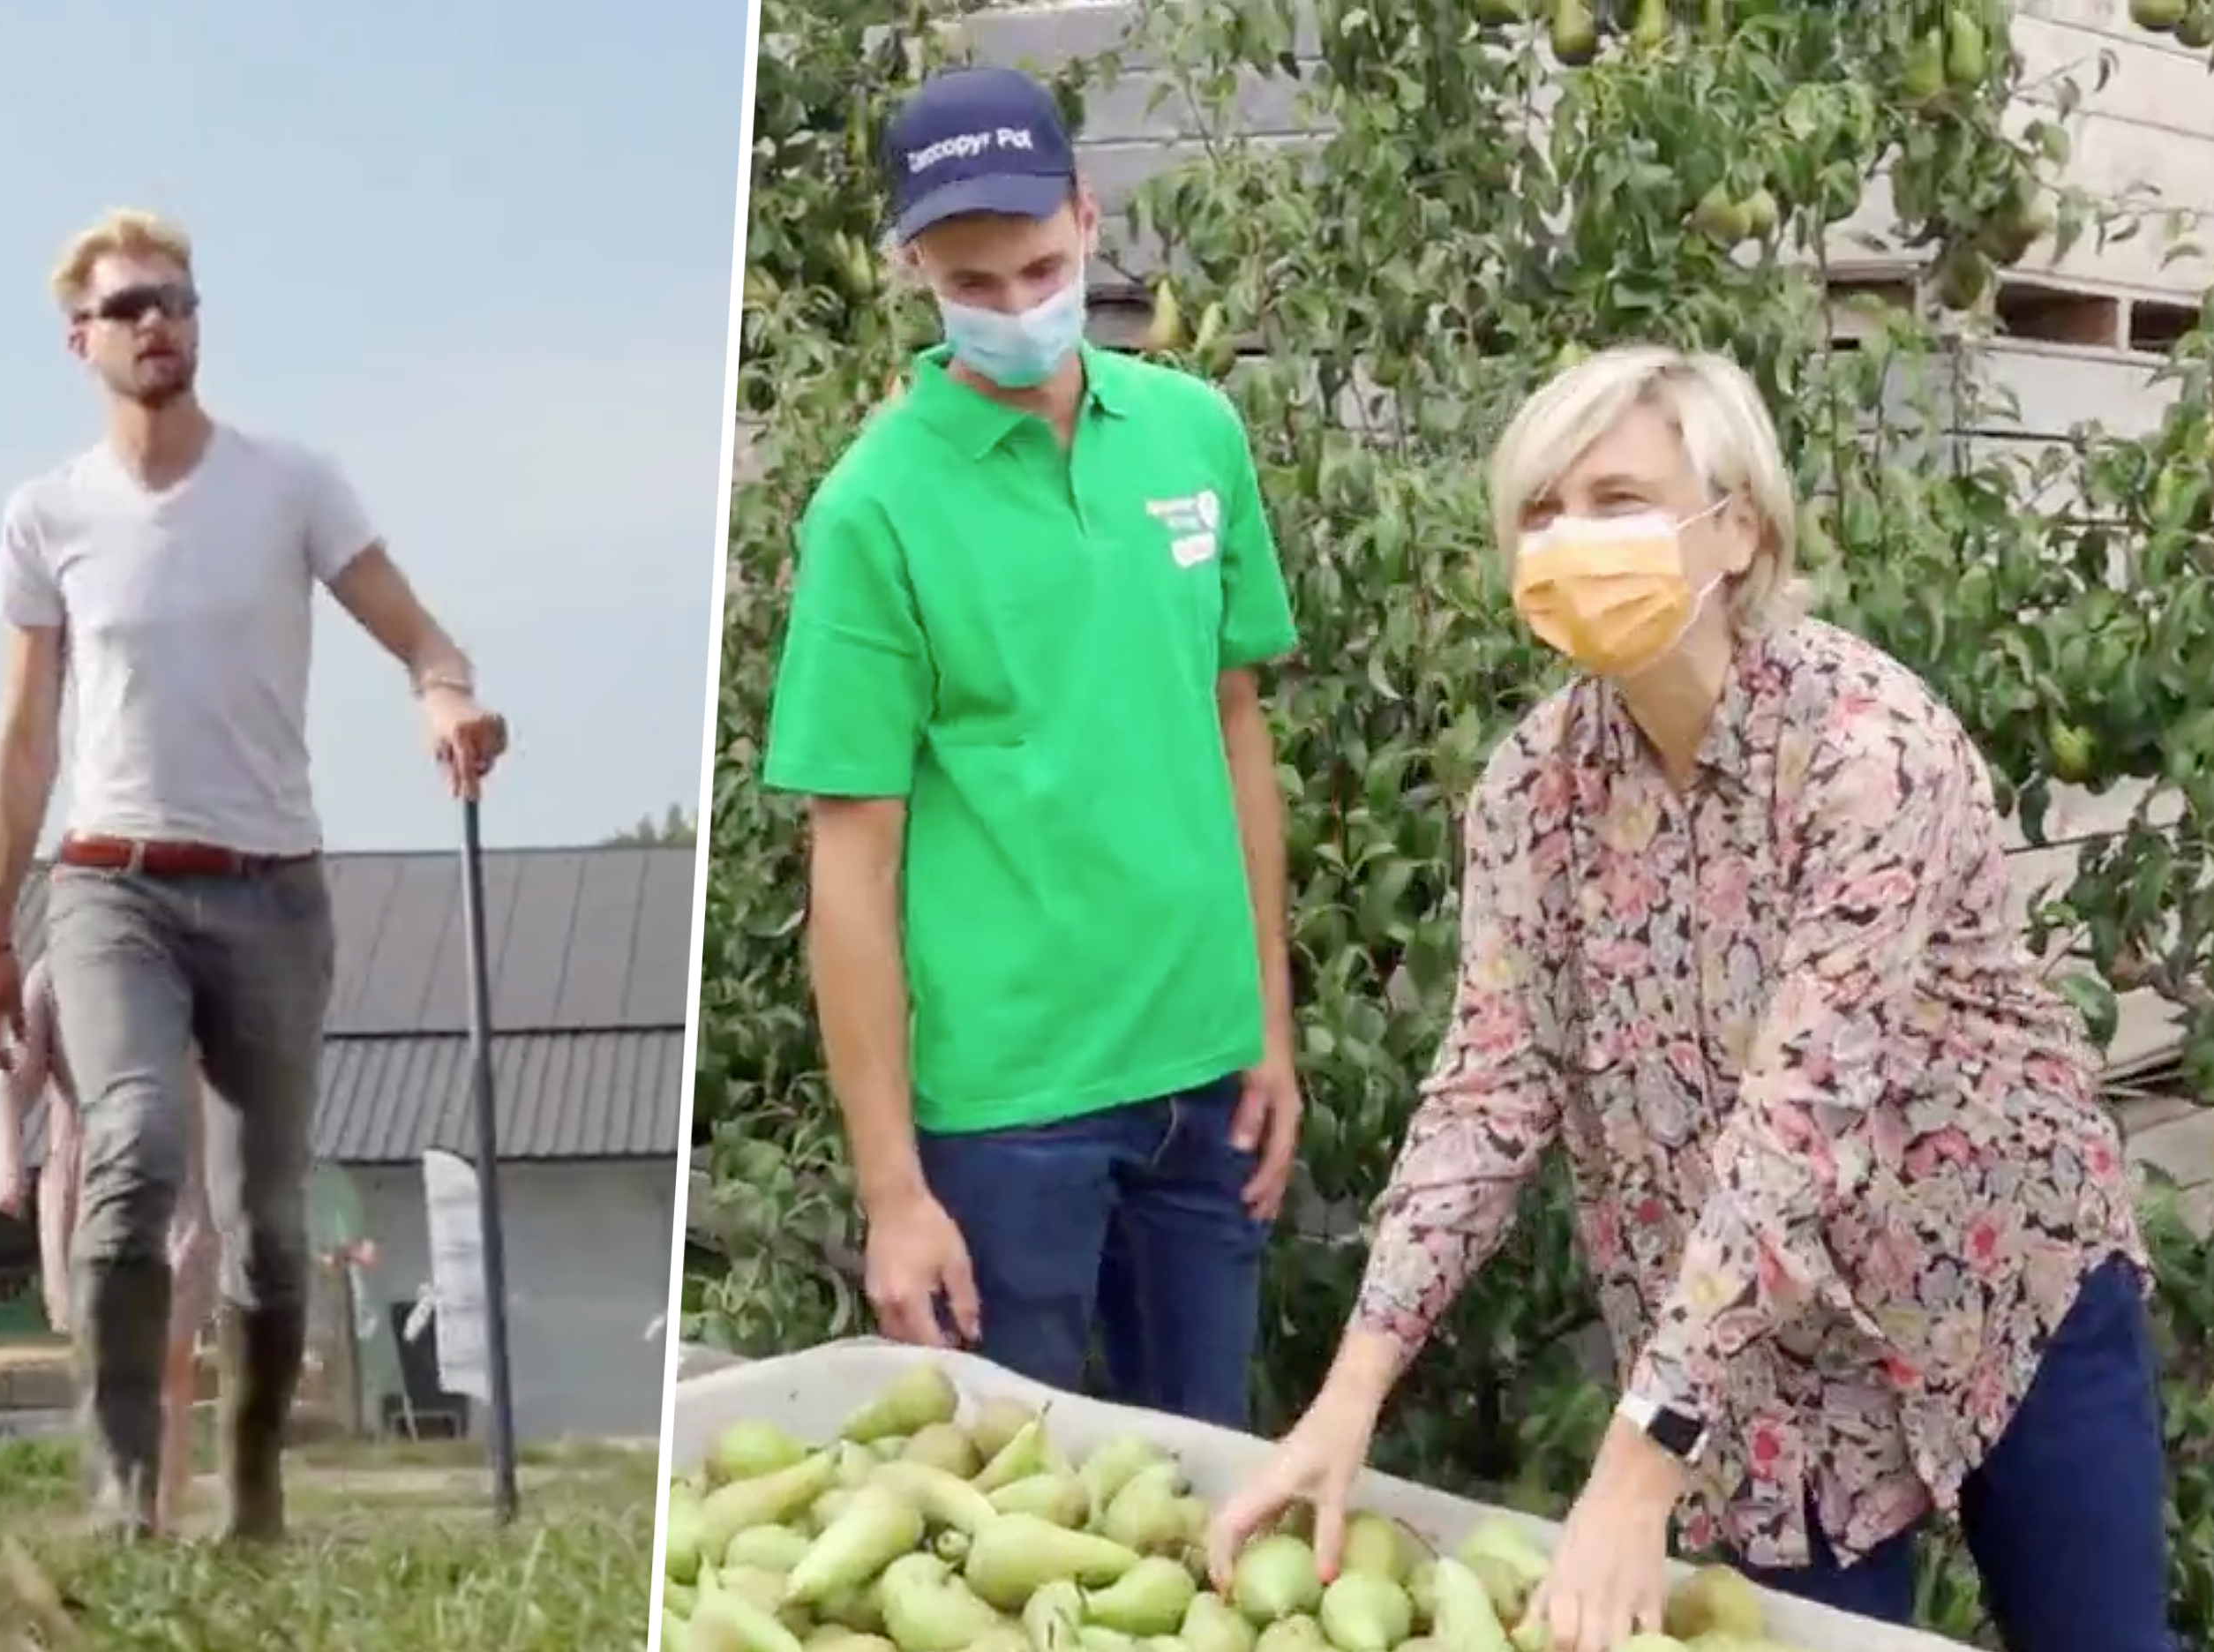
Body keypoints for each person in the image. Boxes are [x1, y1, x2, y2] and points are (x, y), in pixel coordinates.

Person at [1205, 346, 2172, 1652]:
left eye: (1616, 499)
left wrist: (1635, 1460)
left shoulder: (1862, 752)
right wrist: (1349, 1393)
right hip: (1755, 1373)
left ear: (1735, 531)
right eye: (1539, 513)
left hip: (1993, 1286)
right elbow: (1488, 1095)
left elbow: (1797, 1129)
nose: (1568, 539)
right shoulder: (1533, 792)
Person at [756, 64, 1304, 1431]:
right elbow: (851, 867)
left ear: (1089, 214)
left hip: (1203, 1072)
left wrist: (1268, 1027)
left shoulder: (1195, 437)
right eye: (974, 284)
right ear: (912, 270)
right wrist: (892, 1191)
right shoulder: (870, 514)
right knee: (1012, 1509)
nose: (1014, 307)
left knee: (1211, 1484)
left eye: (1039, 268)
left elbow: (1236, 732)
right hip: (1008, 1120)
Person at [0, 207, 509, 1542]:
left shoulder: (291, 485)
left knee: (264, 1218)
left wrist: (446, 698)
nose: (160, 324)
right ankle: (127, 1487)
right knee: (134, 1144)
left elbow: (420, 633)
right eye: (131, 307)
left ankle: (252, 1492)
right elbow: (26, 736)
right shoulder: (49, 515)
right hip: (113, 887)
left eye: (178, 301)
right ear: (80, 339)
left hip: (270, 886)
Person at [0, 955, 226, 1527]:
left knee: (170, 1357)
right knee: (104, 1355)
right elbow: (12, 1083)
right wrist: (7, 1159)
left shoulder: (190, 962)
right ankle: (119, 1500)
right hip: (87, 1184)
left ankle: (159, 1511)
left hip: (177, 1181)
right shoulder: (52, 977)